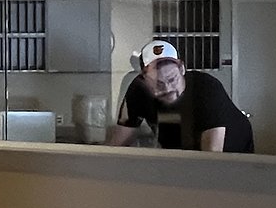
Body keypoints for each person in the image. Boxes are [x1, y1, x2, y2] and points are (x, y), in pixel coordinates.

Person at [108, 39, 254, 153]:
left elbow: (212, 155)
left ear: (182, 69)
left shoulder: (207, 88)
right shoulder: (137, 90)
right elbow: (119, 142)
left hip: (233, 152)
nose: (168, 88)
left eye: (172, 79)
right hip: (182, 148)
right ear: (144, 80)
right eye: (158, 83)